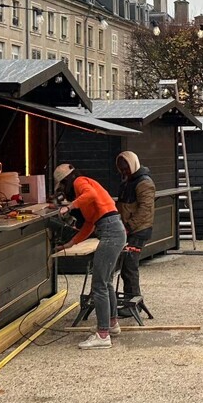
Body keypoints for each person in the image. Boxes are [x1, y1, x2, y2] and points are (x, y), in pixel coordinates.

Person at [53, 163, 125, 350]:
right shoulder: (84, 189)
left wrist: (69, 207)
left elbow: (89, 196)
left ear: (65, 181)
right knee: (106, 282)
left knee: (99, 284)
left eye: (61, 187)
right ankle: (112, 324)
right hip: (113, 229)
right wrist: (69, 244)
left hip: (110, 231)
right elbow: (89, 225)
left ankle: (102, 336)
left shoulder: (79, 182)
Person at [115, 150, 156, 307]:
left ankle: (133, 303)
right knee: (127, 267)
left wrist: (128, 226)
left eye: (126, 168)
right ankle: (132, 302)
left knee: (129, 267)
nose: (124, 172)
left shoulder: (144, 183)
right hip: (132, 228)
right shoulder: (131, 181)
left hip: (137, 230)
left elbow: (145, 210)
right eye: (122, 169)